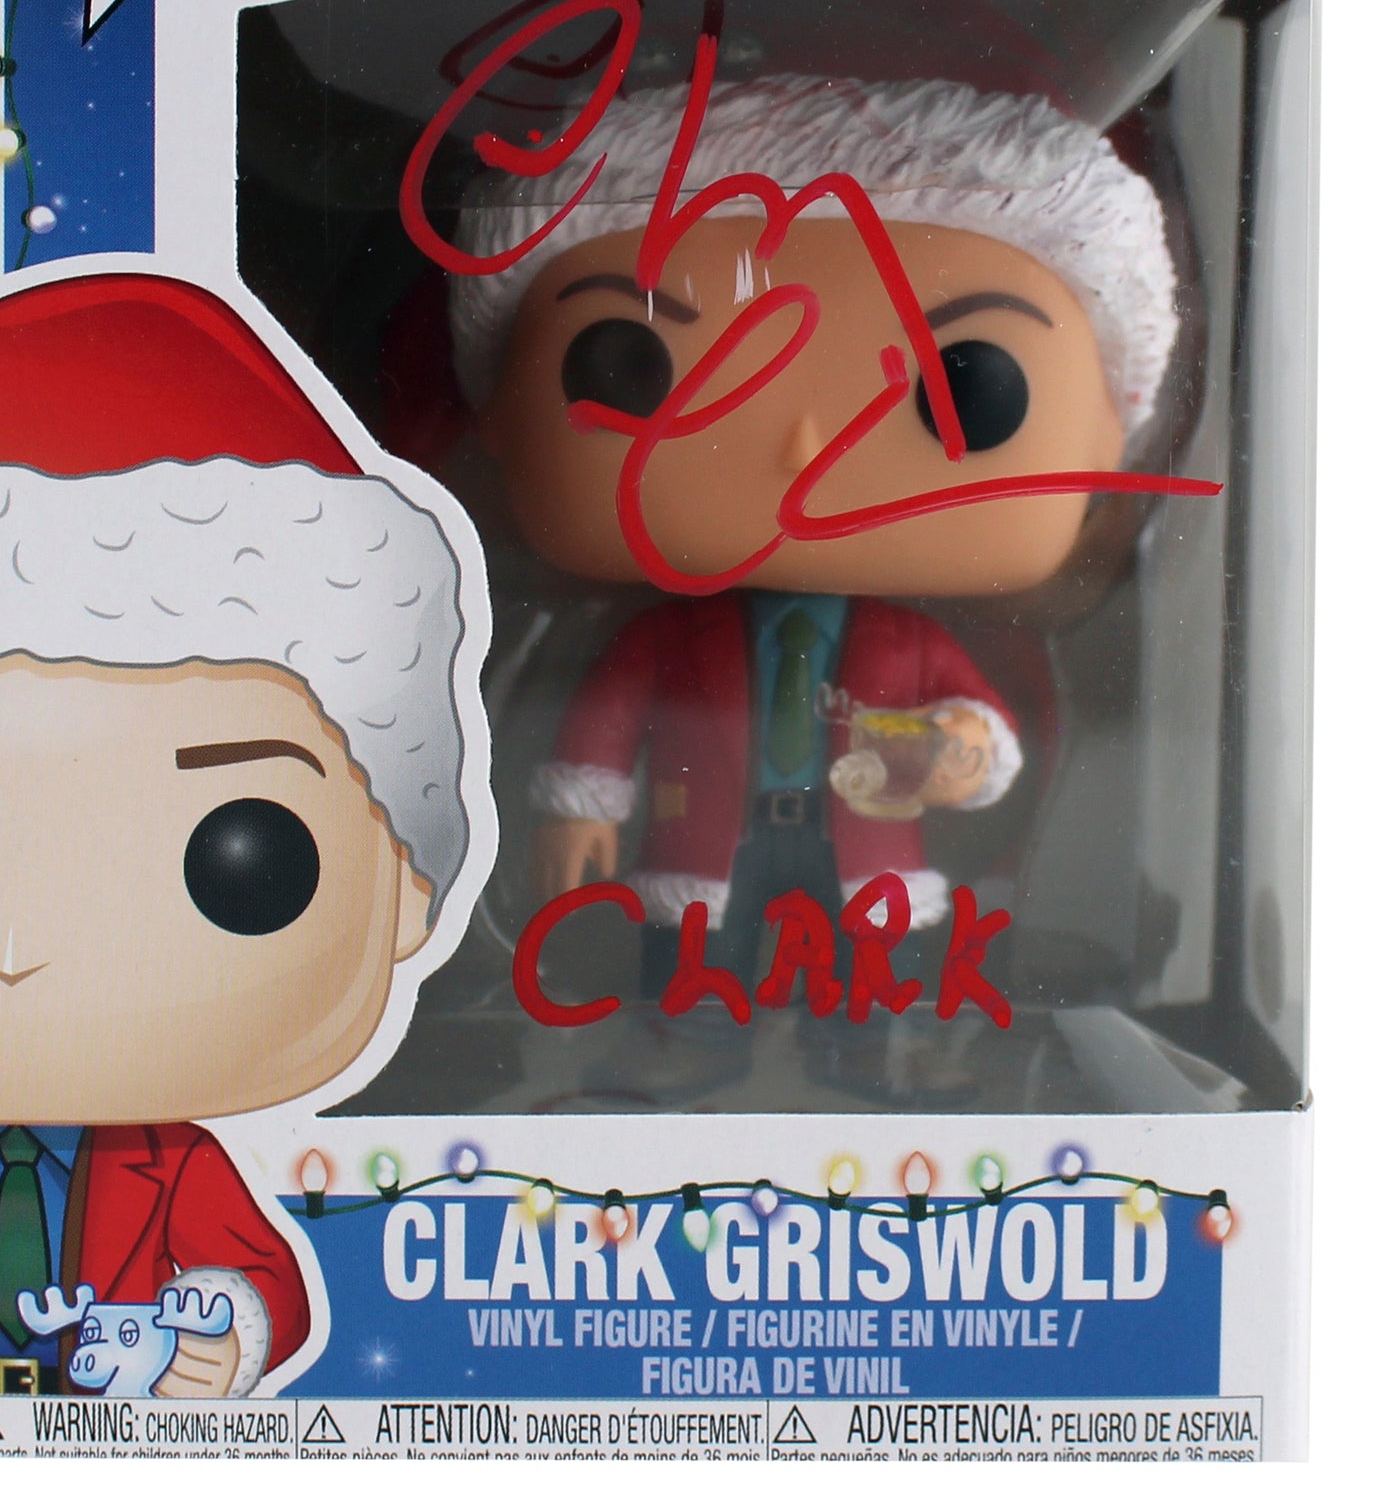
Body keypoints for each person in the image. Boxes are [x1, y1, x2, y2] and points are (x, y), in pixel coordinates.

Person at [448, 71, 1179, 1012]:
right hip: (701, 846)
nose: (806, 446)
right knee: (696, 976)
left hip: (865, 855)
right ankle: (690, 1044)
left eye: (968, 387)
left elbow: (979, 728)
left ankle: (864, 1048)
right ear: (498, 414)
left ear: (1107, 439)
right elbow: (609, 711)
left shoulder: (909, 643)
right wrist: (578, 806)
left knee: (865, 985)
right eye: (633, 367)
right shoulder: (666, 639)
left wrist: (964, 749)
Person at [0, 274, 481, 1396]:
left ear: (404, 887)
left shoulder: (170, 1157)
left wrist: (226, 1334)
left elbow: (264, 1276)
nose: (15, 948)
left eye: (242, 862)